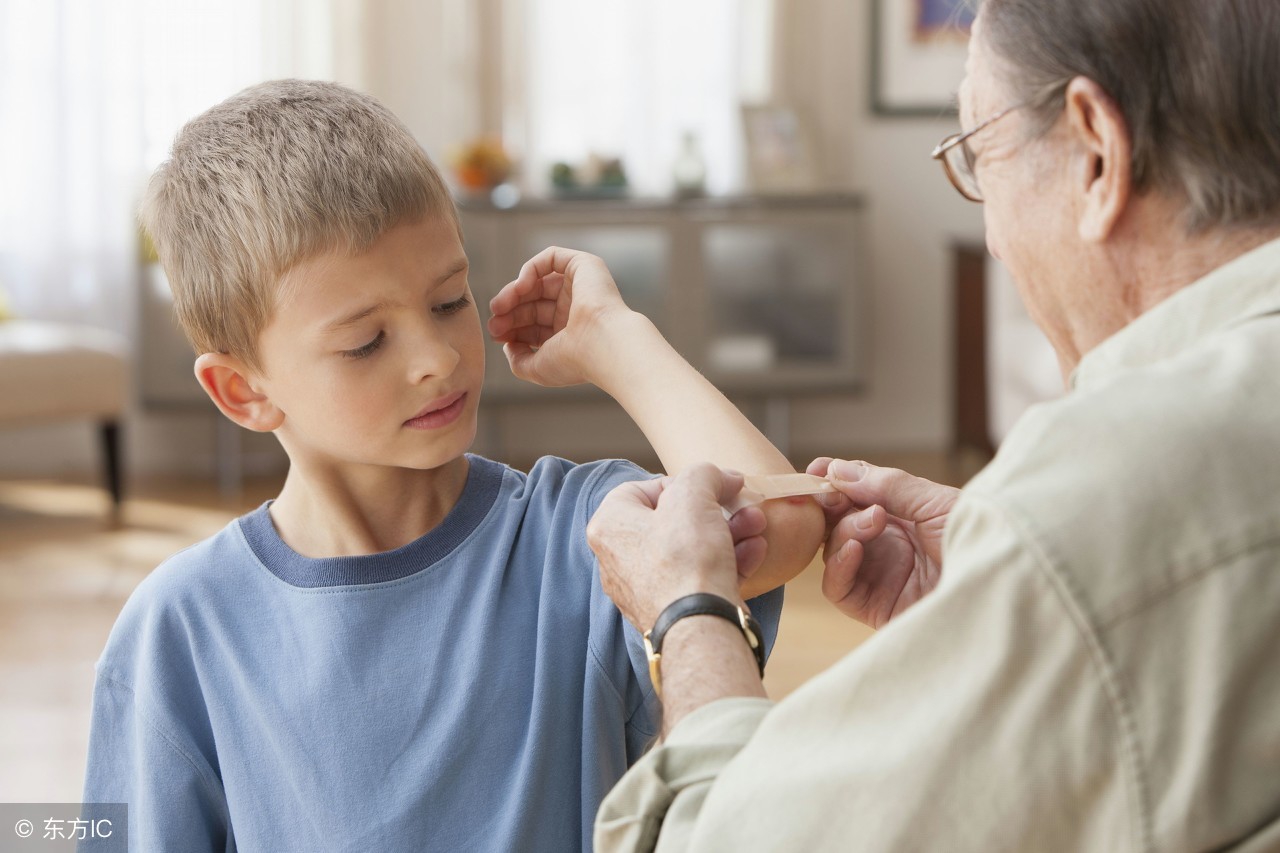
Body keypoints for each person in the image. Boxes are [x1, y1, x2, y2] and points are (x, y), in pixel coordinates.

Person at [587, 0, 1280, 849]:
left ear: (1097, 150)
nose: (990, 238)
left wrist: (688, 616)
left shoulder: (1111, 488)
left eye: (979, 157)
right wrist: (996, 591)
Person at [81, 79, 824, 851]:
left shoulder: (589, 535)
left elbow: (782, 521)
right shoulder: (179, 629)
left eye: (448, 301)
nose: (436, 358)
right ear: (242, 390)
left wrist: (617, 336)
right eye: (366, 342)